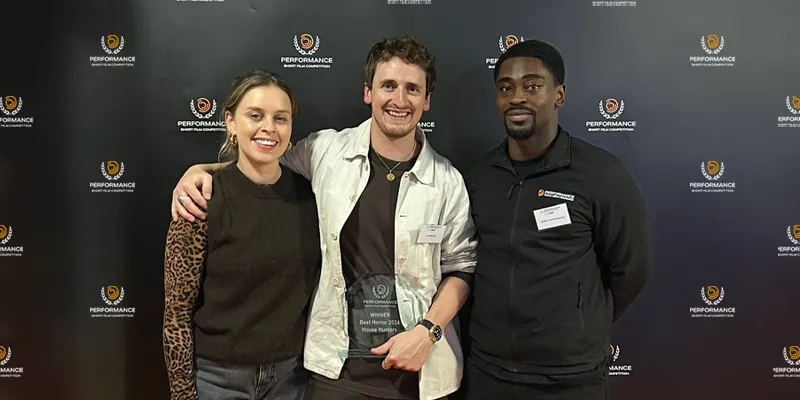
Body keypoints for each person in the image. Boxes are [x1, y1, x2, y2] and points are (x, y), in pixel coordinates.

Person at [169, 35, 478, 400]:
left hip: (419, 373)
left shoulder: (447, 181)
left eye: (412, 89)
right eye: (388, 86)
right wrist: (202, 170)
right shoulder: (325, 151)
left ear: (426, 101)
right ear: (368, 92)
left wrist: (429, 332)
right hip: (334, 373)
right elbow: (262, 157)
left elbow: (461, 268)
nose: (399, 99)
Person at [461, 39, 653, 399]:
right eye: (506, 88)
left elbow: (632, 271)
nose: (517, 97)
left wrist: (580, 326)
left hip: (569, 378)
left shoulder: (600, 175)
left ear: (559, 95)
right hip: (489, 372)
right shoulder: (478, 177)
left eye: (532, 86)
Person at [162, 70, 320, 400]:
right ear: (231, 122)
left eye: (281, 118)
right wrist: (181, 394)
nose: (269, 128)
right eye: (255, 116)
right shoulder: (200, 199)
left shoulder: (311, 198)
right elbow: (176, 313)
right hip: (217, 379)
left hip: (291, 379)